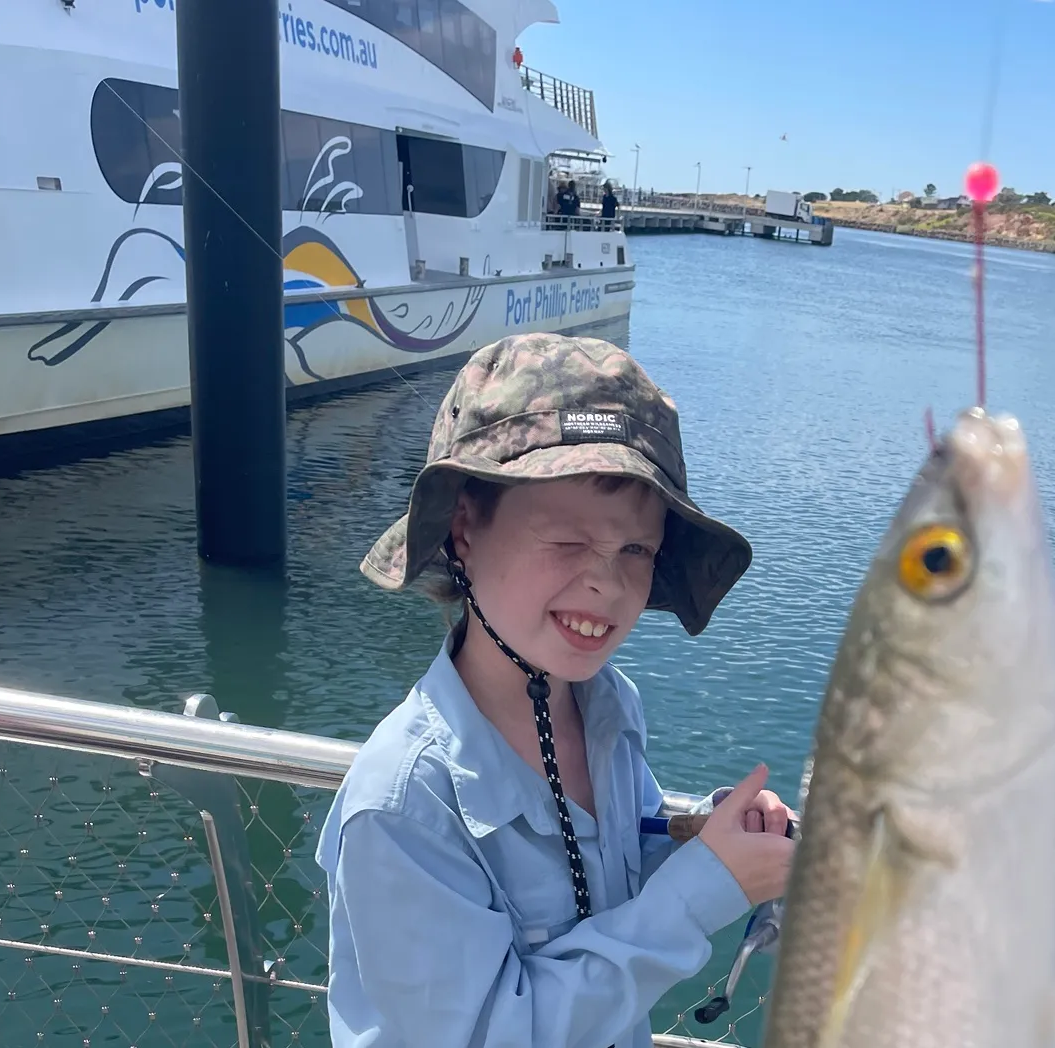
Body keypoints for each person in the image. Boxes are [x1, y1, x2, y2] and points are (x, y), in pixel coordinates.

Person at [316, 332, 797, 1048]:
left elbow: (612, 872)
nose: (608, 583)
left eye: (637, 549)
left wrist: (707, 843)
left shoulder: (605, 705)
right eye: (567, 542)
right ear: (464, 529)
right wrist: (704, 895)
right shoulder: (405, 802)